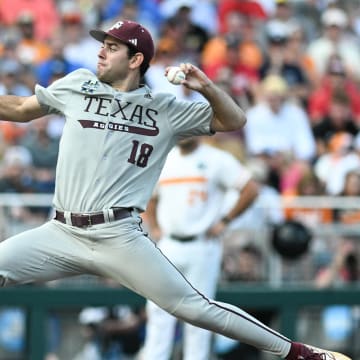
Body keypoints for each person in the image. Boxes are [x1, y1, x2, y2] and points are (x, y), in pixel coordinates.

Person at [0, 19, 350, 360]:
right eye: (101, 46)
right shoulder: (78, 84)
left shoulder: (164, 110)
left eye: (111, 47)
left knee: (195, 308)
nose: (100, 54)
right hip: (61, 230)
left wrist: (207, 88)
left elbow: (235, 121)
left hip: (118, 234)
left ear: (136, 59)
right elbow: (19, 108)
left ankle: (298, 353)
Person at [141, 136, 259, 359]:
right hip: (168, 244)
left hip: (202, 244)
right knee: (158, 312)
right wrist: (155, 226)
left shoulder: (216, 159)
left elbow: (250, 189)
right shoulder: (163, 158)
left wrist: (225, 221)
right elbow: (150, 197)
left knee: (199, 317)